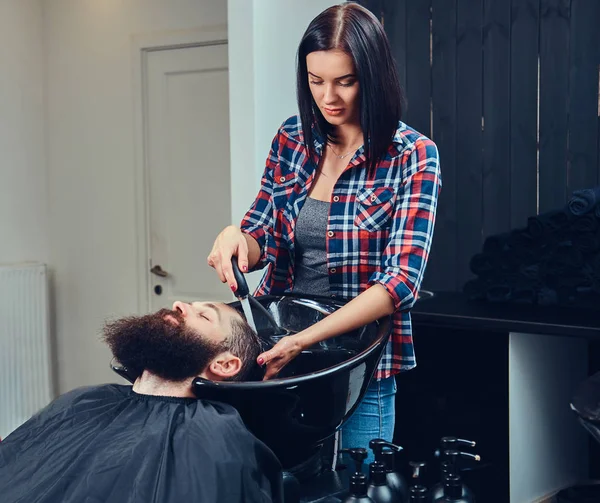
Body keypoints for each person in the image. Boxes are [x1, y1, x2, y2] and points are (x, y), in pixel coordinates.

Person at [207, 2, 441, 460]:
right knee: (281, 481)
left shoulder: (413, 156)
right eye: (316, 81)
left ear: (372, 77)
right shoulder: (292, 139)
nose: (328, 96)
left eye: (344, 81)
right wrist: (235, 239)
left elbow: (399, 284)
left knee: (360, 482)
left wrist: (304, 338)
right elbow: (263, 235)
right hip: (281, 358)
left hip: (362, 363)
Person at [0, 301, 282, 503]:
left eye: (204, 316)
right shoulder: (89, 400)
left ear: (224, 364)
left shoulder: (214, 435)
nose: (179, 304)